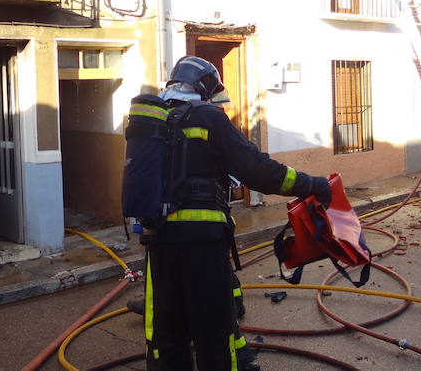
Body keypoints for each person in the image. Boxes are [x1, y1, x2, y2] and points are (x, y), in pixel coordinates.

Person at [136, 55, 332, 371]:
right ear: (205, 89)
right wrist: (311, 184)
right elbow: (258, 170)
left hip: (158, 241)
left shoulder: (153, 123)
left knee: (167, 334)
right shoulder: (208, 118)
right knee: (214, 334)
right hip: (203, 244)